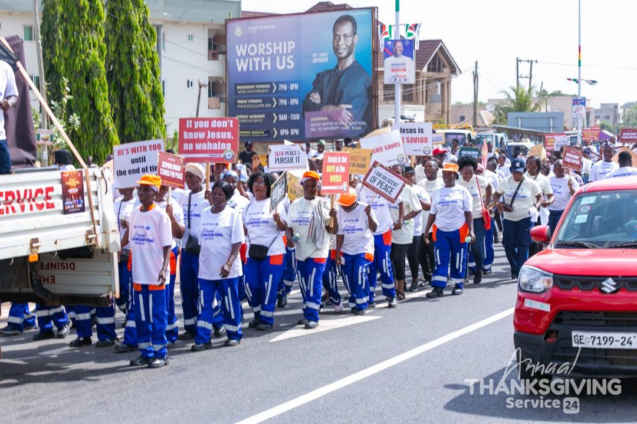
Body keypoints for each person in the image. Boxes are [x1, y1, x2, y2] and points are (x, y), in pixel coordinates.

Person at [123, 175, 172, 368]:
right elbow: (131, 237)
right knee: (142, 315)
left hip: (156, 273)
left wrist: (164, 268)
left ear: (155, 192)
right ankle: (146, 352)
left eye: (146, 190)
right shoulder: (135, 212)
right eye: (140, 189)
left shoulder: (161, 215)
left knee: (157, 314)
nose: (142, 193)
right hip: (139, 273)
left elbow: (167, 245)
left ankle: (161, 352)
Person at [192, 182, 244, 350]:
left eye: (221, 194)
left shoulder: (233, 215)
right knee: (204, 304)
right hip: (206, 269)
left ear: (227, 197)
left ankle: (234, 334)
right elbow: (202, 241)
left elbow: (237, 243)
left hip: (226, 270)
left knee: (229, 303)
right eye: (214, 193)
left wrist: (228, 264)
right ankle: (203, 338)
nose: (216, 197)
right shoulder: (205, 213)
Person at [302, 14, 372, 137]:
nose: (340, 43)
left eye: (346, 37)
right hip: (322, 151)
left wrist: (320, 108)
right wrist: (330, 110)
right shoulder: (322, 78)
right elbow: (307, 110)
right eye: (337, 37)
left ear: (355, 39)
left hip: (350, 152)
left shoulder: (363, 80)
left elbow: (345, 128)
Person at [178, 163, 224, 340]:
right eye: (187, 177)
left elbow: (217, 216)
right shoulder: (183, 197)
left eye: (192, 177)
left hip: (203, 251)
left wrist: (211, 202)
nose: (189, 180)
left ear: (200, 178)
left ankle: (218, 322)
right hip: (186, 249)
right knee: (187, 289)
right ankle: (191, 326)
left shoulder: (208, 197)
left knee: (205, 290)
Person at [286, 171, 332, 329]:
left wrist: (334, 218)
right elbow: (288, 227)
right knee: (304, 283)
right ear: (302, 186)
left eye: (314, 186)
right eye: (307, 185)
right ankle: (308, 311)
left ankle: (313, 316)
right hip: (301, 250)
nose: (311, 188)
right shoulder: (295, 204)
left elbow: (332, 230)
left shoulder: (325, 203)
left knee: (313, 281)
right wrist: (290, 239)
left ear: (318, 187)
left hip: (318, 249)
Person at [243, 173, 288, 331]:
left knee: (268, 286)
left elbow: (284, 228)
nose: (258, 185)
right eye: (255, 182)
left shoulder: (276, 203)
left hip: (274, 252)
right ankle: (257, 313)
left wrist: (277, 220)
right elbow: (244, 229)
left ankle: (266, 318)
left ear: (269, 186)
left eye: (262, 183)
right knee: (249, 285)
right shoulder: (248, 206)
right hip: (252, 253)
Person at [424, 163, 474, 298]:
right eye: (444, 173)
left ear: (455, 175)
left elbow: (468, 213)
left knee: (458, 258)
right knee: (440, 258)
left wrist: (471, 231)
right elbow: (432, 213)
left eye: (449, 173)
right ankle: (438, 287)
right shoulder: (438, 193)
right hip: (440, 231)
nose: (446, 176)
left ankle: (458, 285)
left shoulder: (463, 192)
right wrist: (426, 230)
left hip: (459, 230)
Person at [493, 158, 542, 280]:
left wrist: (536, 206)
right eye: (515, 172)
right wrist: (497, 203)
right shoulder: (505, 182)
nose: (517, 174)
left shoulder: (530, 183)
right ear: (511, 171)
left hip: (525, 217)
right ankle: (514, 266)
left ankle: (521, 271)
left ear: (524, 171)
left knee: (523, 245)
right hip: (509, 218)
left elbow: (540, 197)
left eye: (520, 172)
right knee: (508, 245)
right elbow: (496, 194)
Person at [357, 177, 399, 308]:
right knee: (370, 266)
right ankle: (370, 297)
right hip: (368, 232)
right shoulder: (360, 188)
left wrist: (400, 220)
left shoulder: (384, 184)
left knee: (384, 265)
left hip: (384, 231)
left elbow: (400, 202)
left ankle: (391, 295)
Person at [333, 190, 377, 315]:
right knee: (348, 277)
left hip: (364, 248)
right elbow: (339, 234)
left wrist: (369, 215)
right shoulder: (340, 211)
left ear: (354, 203)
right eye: (343, 205)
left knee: (359, 273)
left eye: (347, 206)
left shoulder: (365, 208)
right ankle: (354, 302)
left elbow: (374, 228)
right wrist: (337, 253)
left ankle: (362, 304)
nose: (345, 208)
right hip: (347, 250)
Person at [154, 184, 185, 348]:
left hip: (168, 254)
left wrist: (171, 217)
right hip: (149, 255)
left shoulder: (174, 206)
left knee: (166, 296)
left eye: (163, 188)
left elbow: (180, 234)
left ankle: (170, 333)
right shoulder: (142, 207)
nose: (159, 191)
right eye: (156, 188)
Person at [388, 164, 422, 299]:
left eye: (398, 173)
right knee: (388, 260)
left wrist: (402, 220)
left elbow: (417, 209)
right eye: (392, 172)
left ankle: (400, 290)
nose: (395, 175)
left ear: (402, 175)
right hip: (387, 230)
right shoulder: (385, 188)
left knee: (398, 258)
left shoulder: (407, 190)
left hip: (403, 229)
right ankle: (393, 285)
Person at [113, 187, 140, 353]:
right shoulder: (115, 204)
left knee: (132, 296)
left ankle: (132, 338)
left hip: (133, 254)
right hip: (118, 253)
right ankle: (128, 315)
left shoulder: (137, 206)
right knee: (119, 291)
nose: (120, 188)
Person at [456, 156, 492, 285]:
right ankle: (464, 274)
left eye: (471, 173)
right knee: (464, 246)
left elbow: (489, 187)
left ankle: (479, 270)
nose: (468, 176)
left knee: (476, 246)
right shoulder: (456, 182)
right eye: (465, 173)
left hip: (477, 219)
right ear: (460, 171)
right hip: (461, 221)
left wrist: (487, 203)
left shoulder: (479, 180)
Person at [417, 159, 444, 288]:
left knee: (433, 252)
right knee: (420, 253)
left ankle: (436, 275)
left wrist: (421, 201)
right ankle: (428, 277)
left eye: (430, 166)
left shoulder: (442, 184)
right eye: (425, 166)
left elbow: (432, 205)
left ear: (437, 169)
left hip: (437, 225)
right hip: (422, 224)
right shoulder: (421, 184)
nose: (426, 168)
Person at [404, 166, 430, 292]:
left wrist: (415, 197)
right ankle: (400, 281)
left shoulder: (419, 189)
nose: (409, 178)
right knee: (398, 257)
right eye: (406, 175)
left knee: (412, 255)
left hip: (415, 229)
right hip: (399, 229)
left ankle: (415, 280)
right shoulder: (397, 190)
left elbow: (427, 206)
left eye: (411, 175)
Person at [525, 156, 554, 257]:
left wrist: (548, 202)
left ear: (537, 165)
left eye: (531, 163)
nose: (528, 165)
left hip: (536, 213)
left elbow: (551, 195)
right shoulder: (522, 177)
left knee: (534, 239)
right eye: (527, 163)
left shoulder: (544, 179)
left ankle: (531, 259)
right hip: (522, 211)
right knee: (523, 239)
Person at [548, 160, 579, 234]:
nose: (557, 168)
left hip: (562, 212)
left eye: (560, 166)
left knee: (558, 234)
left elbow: (576, 196)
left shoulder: (571, 180)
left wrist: (570, 188)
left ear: (565, 168)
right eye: (555, 166)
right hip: (549, 212)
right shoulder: (549, 179)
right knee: (548, 235)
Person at [0, 58, 18, 175]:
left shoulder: (5, 68)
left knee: (5, 175)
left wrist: (9, 103)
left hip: (0, 137)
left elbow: (13, 96)